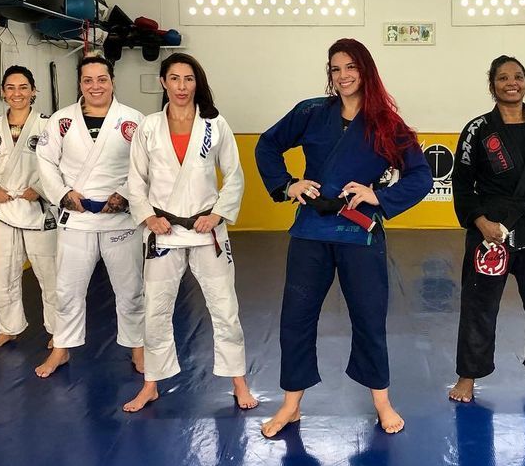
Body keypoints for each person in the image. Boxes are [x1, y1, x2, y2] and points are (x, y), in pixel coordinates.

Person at [255, 38, 432, 437]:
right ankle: (291, 405)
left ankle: (382, 402)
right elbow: (268, 145)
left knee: (369, 318)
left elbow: (420, 176)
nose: (343, 75)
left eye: (350, 67)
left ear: (365, 70)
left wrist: (379, 196)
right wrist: (288, 184)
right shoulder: (312, 111)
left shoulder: (387, 123)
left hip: (359, 232)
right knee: (296, 317)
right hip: (311, 230)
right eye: (335, 69)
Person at [122, 53, 258, 412]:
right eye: (174, 78)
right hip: (164, 231)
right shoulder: (149, 127)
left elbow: (234, 175)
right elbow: (135, 180)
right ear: (163, 82)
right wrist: (148, 218)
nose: (181, 86)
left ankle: (238, 382)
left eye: (188, 79)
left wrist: (217, 214)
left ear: (198, 83)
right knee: (155, 310)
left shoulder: (214, 124)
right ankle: (151, 384)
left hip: (206, 230)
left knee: (225, 307)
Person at [448, 55, 525, 403]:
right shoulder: (478, 130)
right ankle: (468, 376)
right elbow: (462, 184)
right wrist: (480, 222)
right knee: (479, 304)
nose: (511, 83)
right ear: (493, 85)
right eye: (503, 78)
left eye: (518, 76)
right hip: (493, 231)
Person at [34, 54, 146, 377]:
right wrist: (63, 195)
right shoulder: (61, 120)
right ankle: (61, 349)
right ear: (80, 84)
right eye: (88, 80)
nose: (95, 86)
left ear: (112, 81)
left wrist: (125, 194)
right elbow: (45, 161)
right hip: (77, 217)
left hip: (120, 218)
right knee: (67, 289)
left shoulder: (134, 120)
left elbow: (146, 164)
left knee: (130, 289)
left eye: (102, 79)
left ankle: (138, 348)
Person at [0, 66, 57, 349]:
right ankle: (8, 328)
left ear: (33, 91)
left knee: (50, 274)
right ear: (3, 92)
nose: (16, 93)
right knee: (2, 274)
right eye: (10, 87)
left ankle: (59, 332)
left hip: (38, 208)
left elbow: (61, 162)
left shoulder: (48, 125)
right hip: (4, 207)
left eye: (23, 87)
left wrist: (41, 189)